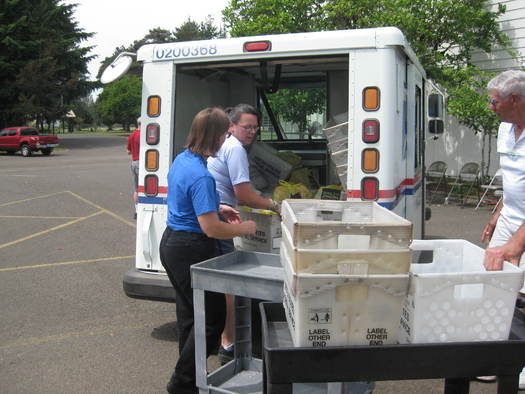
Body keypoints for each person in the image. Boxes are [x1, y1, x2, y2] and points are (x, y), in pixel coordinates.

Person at [159, 107, 256, 394]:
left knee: (189, 314)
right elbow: (211, 229)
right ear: (214, 136)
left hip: (172, 243)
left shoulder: (184, 159)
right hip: (190, 247)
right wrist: (245, 229)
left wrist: (218, 206)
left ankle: (190, 380)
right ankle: (181, 382)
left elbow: (189, 199)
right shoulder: (201, 175)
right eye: (225, 135)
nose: (227, 141)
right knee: (212, 318)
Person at [207, 103, 280, 364]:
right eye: (247, 127)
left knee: (218, 281)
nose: (252, 132)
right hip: (220, 217)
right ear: (232, 126)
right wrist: (276, 206)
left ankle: (222, 337)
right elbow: (244, 194)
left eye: (255, 128)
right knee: (228, 285)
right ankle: (228, 343)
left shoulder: (223, 143)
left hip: (217, 210)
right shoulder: (235, 149)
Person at [481, 69, 525, 389]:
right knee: (494, 283)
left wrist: (516, 245)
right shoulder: (504, 129)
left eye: (494, 101)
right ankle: (495, 355)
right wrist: (498, 213)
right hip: (511, 214)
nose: (490, 107)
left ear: (515, 100)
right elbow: (509, 179)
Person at [127, 117, 141, 219]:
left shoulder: (132, 135)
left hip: (134, 162)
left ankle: (136, 210)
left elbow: (128, 151)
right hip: (142, 164)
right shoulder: (144, 135)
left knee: (136, 189)